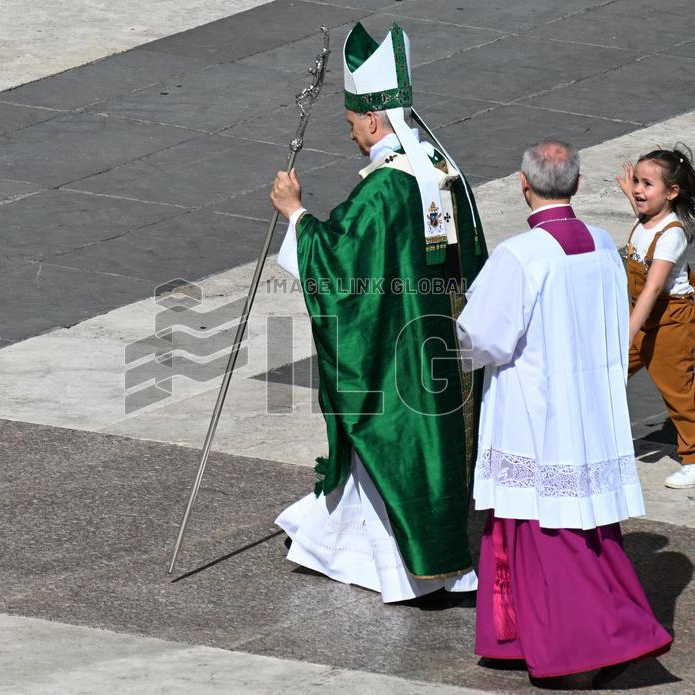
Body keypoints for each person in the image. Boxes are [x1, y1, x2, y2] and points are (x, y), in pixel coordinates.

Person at [268, 21, 488, 603]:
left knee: (390, 441)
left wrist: (295, 214)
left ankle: (416, 571)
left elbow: (341, 266)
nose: (351, 136)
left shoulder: (386, 188)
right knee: (427, 451)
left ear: (372, 119)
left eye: (350, 125)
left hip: (395, 348)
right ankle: (338, 546)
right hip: (444, 337)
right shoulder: (443, 170)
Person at [456, 139, 672, 682]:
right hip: (588, 411)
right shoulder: (601, 245)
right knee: (585, 529)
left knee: (547, 536)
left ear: (522, 184)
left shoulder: (519, 256)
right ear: (576, 184)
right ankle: (523, 639)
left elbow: (483, 340)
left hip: (534, 417)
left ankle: (591, 645)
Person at [617, 146, 695, 489]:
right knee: (606, 373)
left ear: (672, 192)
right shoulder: (646, 218)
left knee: (677, 392)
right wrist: (631, 195)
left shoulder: (672, 234)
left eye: (647, 184)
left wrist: (627, 331)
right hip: (643, 317)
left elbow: (653, 287)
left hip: (670, 322)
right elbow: (644, 216)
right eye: (637, 181)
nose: (638, 189)